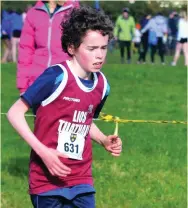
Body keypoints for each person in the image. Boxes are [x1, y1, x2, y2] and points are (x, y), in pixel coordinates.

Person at [7, 6, 122, 208]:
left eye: (103, 48)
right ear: (72, 48)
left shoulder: (102, 85)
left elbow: (85, 121)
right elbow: (14, 113)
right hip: (47, 182)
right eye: (92, 49)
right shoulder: (56, 77)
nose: (100, 55)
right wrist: (43, 152)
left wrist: (103, 139)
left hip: (82, 181)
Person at [17, 0, 79, 94]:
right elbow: (25, 50)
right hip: (37, 81)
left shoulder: (75, 12)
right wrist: (23, 86)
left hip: (66, 81)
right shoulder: (33, 13)